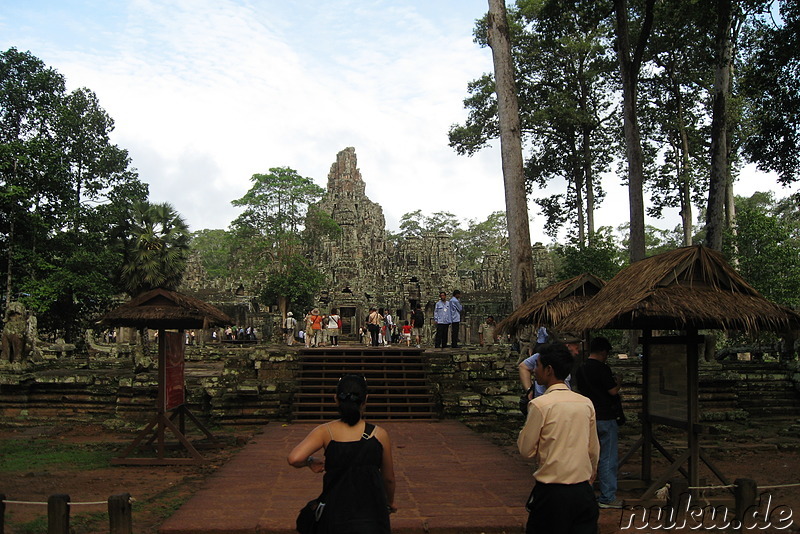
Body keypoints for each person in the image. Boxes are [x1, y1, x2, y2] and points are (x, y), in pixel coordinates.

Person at [288, 375, 396, 533]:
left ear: (336, 399)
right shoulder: (379, 435)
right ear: (366, 399)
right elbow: (389, 478)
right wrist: (390, 502)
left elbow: (294, 458)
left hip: (336, 513)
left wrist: (310, 462)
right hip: (372, 515)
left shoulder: (326, 431)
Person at [518, 343, 600, 534]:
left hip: (552, 491)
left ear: (549, 370)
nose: (534, 371)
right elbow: (593, 449)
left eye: (537, 366)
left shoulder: (541, 405)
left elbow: (526, 450)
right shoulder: (585, 403)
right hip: (582, 489)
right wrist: (591, 471)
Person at [575, 336, 623, 509]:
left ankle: (584, 493)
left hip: (587, 416)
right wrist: (619, 382)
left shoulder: (581, 369)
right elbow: (612, 391)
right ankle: (607, 496)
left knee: (587, 455)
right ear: (603, 352)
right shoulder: (602, 369)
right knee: (608, 457)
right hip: (605, 416)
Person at [519, 332, 578, 402]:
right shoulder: (543, 356)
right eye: (576, 348)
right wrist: (529, 390)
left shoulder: (567, 361)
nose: (577, 352)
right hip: (544, 398)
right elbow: (523, 367)